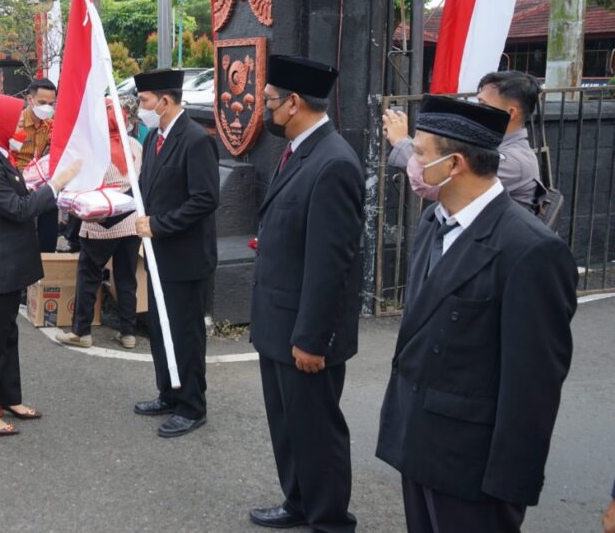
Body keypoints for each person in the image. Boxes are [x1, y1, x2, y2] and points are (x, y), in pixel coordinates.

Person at [376, 96, 577, 533]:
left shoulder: (529, 250)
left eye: (422, 154)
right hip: (420, 444)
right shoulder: (435, 219)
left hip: (473, 470)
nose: (412, 161)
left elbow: (534, 385)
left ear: (455, 164)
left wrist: (508, 486)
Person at [247, 56, 363, 532]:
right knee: (289, 426)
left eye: (271, 102)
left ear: (294, 103)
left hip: (304, 332)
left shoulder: (333, 162)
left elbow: (330, 264)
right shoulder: (298, 150)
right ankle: (299, 502)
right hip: (278, 321)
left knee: (316, 433)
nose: (267, 111)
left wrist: (312, 338)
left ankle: (329, 520)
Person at [0, 95, 80, 437]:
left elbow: (19, 197)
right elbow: (18, 208)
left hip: (7, 265)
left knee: (7, 335)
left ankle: (8, 397)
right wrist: (56, 184)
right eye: (11, 122)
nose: (18, 128)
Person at [132, 68, 218, 439]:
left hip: (185, 257)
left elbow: (205, 199)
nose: (141, 108)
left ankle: (192, 405)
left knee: (185, 333)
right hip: (158, 255)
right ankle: (168, 393)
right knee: (160, 328)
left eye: (144, 102)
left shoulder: (196, 140)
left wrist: (160, 225)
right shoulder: (154, 137)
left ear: (165, 101)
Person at [383, 70, 542, 209]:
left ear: (511, 113)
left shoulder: (516, 162)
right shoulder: (490, 145)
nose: (477, 109)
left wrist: (401, 142)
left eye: (483, 104)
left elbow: (441, 181)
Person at [57, 100, 143, 350]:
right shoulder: (135, 146)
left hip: (100, 222)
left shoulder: (94, 152)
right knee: (127, 278)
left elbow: (81, 186)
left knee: (89, 275)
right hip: (130, 220)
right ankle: (128, 333)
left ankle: (81, 332)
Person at [14, 79, 59, 252]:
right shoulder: (16, 123)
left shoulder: (50, 125)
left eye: (51, 103)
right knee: (23, 231)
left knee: (50, 213)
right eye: (42, 103)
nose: (47, 107)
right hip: (17, 182)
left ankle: (48, 257)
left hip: (42, 182)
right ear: (29, 99)